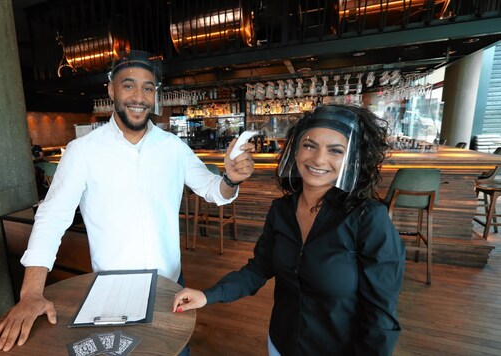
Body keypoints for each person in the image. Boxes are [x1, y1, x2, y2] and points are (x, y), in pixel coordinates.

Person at [0, 50, 255, 352]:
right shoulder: (82, 151)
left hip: (170, 284)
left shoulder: (173, 147)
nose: (139, 96)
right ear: (111, 90)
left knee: (175, 351)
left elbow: (212, 190)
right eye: (128, 85)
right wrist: (30, 293)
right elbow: (51, 219)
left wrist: (229, 179)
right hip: (111, 290)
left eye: (148, 87)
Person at [173, 104, 405, 355]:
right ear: (295, 151)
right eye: (309, 145)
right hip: (280, 344)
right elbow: (257, 270)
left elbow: (381, 316)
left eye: (335, 150)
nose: (318, 159)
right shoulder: (282, 210)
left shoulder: (368, 218)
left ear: (353, 160)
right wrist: (207, 295)